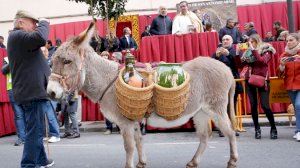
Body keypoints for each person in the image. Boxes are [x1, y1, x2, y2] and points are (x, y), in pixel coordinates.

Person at [7, 10, 54, 167]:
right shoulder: (18, 36)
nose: (35, 25)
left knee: (36, 130)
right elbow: (41, 37)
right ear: (20, 22)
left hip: (32, 92)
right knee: (35, 131)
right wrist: (44, 21)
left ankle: (41, 160)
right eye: (32, 22)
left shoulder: (21, 39)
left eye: (37, 22)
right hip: (31, 93)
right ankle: (28, 165)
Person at [237, 34, 277, 140]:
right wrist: (237, 53)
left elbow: (262, 61)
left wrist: (253, 49)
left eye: (252, 42)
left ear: (257, 41)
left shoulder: (267, 49)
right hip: (250, 80)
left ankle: (273, 128)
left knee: (265, 106)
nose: (250, 44)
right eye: (249, 42)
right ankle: (257, 129)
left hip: (262, 81)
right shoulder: (248, 52)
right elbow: (240, 65)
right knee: (253, 106)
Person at [212, 35, 242, 137]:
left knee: (232, 106)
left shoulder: (235, 52)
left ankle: (232, 128)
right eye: (223, 39)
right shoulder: (217, 52)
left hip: (233, 83)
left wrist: (229, 54)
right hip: (220, 84)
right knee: (221, 107)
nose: (225, 41)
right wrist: (215, 56)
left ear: (231, 41)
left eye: (227, 39)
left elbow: (238, 65)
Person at [278, 33, 300, 141]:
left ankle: (298, 131)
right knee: (297, 109)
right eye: (287, 40)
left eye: (291, 40)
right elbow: (280, 74)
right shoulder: (284, 55)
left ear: (297, 41)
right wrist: (281, 66)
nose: (288, 42)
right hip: (290, 85)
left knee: (298, 105)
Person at [1, 57, 26, 146]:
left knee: (27, 113)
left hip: (24, 88)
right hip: (12, 89)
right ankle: (22, 138)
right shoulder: (7, 59)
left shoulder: (24, 55)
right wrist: (12, 61)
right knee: (18, 115)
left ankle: (27, 136)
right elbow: (3, 71)